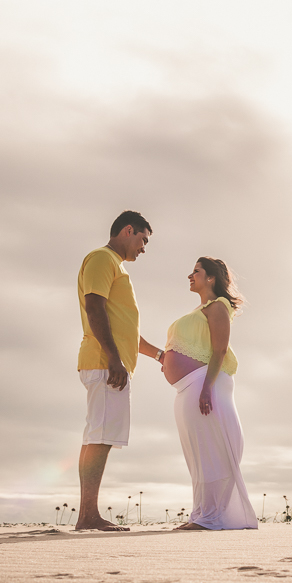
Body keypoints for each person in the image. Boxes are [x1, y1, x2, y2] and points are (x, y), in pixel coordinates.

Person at [74, 210, 165, 531]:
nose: (144, 247)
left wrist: (158, 355)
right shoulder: (102, 259)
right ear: (128, 230)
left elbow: (125, 328)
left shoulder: (116, 267)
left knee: (101, 436)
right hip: (104, 362)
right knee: (98, 436)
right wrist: (113, 358)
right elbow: (94, 306)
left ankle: (88, 514)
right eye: (143, 240)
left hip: (111, 362)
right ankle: (87, 515)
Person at [161, 257, 258, 531]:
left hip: (207, 384)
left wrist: (206, 389)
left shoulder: (218, 306)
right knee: (197, 453)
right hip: (189, 388)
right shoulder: (200, 309)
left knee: (210, 451)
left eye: (196, 272)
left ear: (211, 278)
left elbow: (220, 350)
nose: (190, 276)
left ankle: (210, 517)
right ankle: (202, 513)